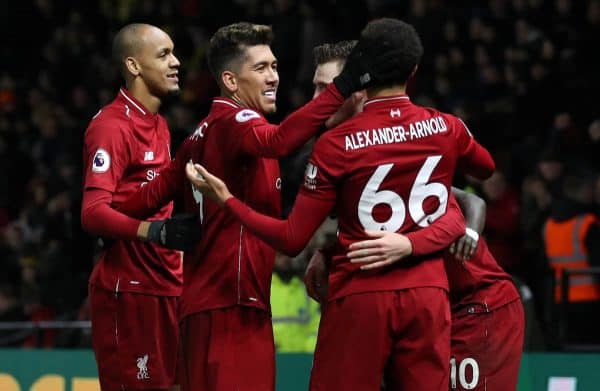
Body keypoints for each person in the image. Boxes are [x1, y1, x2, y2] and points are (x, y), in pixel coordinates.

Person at [186, 18, 495, 390]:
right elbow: (480, 177)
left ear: (358, 82)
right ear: (412, 70)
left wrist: (228, 201)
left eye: (327, 88)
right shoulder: (444, 126)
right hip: (429, 296)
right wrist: (335, 251)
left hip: (377, 296)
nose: (319, 101)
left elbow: (291, 237)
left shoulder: (336, 146)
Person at [116, 22, 395, 390]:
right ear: (231, 82)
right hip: (235, 310)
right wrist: (343, 87)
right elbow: (279, 141)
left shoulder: (199, 135)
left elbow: (138, 202)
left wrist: (111, 220)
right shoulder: (237, 121)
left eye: (275, 66)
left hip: (200, 310)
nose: (274, 77)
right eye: (261, 68)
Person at [80, 23, 199, 391]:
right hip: (128, 291)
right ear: (133, 66)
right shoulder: (111, 127)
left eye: (174, 52)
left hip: (166, 286)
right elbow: (92, 212)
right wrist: (155, 231)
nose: (176, 62)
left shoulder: (160, 125)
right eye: (164, 54)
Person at [347, 188, 524, 391]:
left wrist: (471, 234)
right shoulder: (357, 213)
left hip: (481, 303)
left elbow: (474, 201)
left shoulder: (412, 174)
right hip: (437, 312)